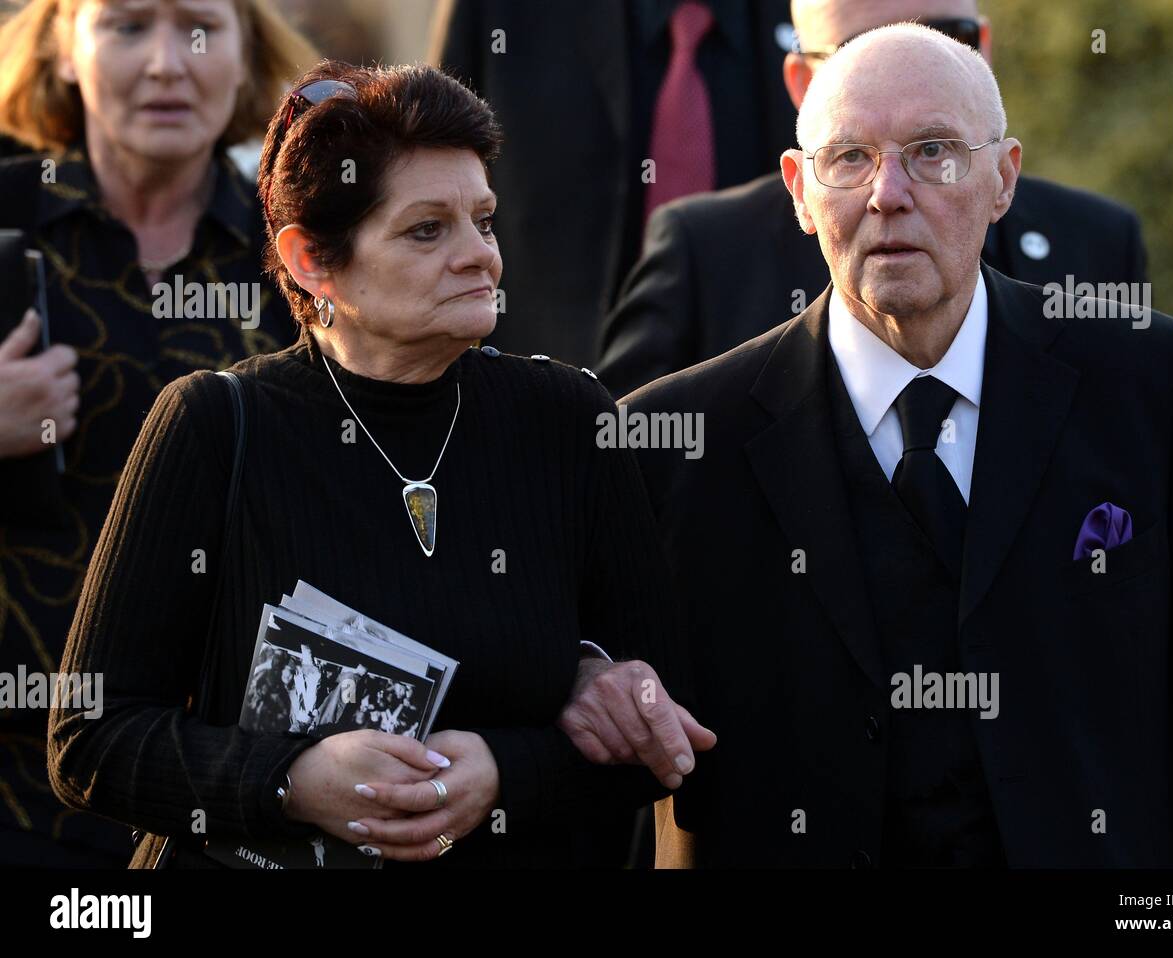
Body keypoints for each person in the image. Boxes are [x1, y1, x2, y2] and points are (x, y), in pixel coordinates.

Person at [628, 24, 1173, 867]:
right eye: (849, 159)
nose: (887, 194)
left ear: (1003, 179)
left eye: (933, 152)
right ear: (799, 192)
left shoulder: (1151, 385)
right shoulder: (680, 446)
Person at [48, 61, 712, 869]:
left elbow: (665, 727)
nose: (481, 257)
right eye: (427, 229)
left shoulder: (568, 419)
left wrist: (505, 774)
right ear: (311, 261)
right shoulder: (214, 424)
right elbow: (91, 738)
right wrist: (289, 781)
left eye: (485, 221)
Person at [0, 0, 315, 867]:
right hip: (13, 790)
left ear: (249, 51)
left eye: (201, 27)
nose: (169, 63)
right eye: (127, 26)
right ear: (65, 49)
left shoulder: (312, 247)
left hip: (232, 787)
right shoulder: (7, 218)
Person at [597, 0, 1149, 398]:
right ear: (800, 83)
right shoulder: (706, 253)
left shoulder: (1098, 243)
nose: (900, 64)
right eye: (856, 51)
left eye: (941, 35)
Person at [429, 0, 799, 367]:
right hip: (546, 395)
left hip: (774, 388)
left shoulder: (830, 14)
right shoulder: (499, 14)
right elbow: (433, 181)